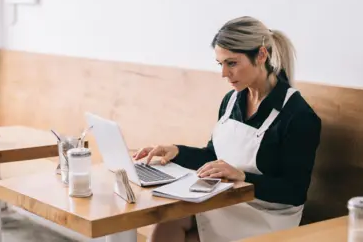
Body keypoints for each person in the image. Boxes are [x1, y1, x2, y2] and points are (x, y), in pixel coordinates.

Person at [133, 16, 322, 242]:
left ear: (261, 55)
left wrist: (243, 176)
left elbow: (294, 191)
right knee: (168, 222)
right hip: (227, 202)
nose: (224, 73)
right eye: (220, 64)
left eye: (231, 63)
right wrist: (177, 151)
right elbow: (214, 157)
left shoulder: (298, 116)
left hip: (267, 218)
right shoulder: (232, 101)